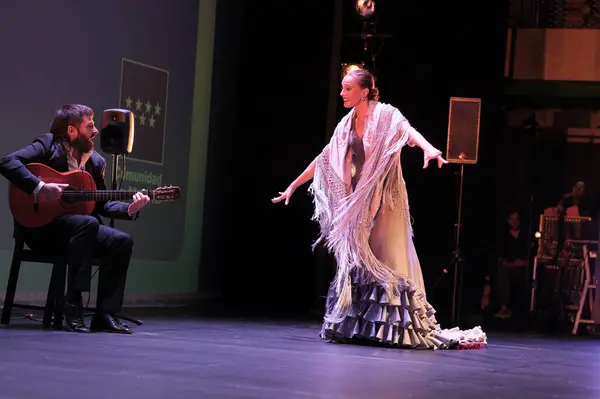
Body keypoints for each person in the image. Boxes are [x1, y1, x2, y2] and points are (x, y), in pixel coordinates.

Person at [272, 68, 487, 349]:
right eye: (342, 88)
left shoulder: (386, 114)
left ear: (364, 91)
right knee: (358, 260)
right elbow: (325, 158)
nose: (342, 93)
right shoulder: (346, 124)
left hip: (384, 200)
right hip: (359, 204)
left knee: (386, 258)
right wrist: (294, 185)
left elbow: (406, 130)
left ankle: (397, 328)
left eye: (347, 89)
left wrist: (429, 148)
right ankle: (360, 326)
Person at [0, 104, 150, 334]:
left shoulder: (96, 162)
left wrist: (130, 208)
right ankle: (72, 304)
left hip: (80, 232)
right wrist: (40, 187)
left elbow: (103, 204)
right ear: (71, 131)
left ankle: (106, 315)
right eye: (89, 125)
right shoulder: (48, 144)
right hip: (41, 229)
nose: (96, 130)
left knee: (121, 241)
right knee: (87, 223)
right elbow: (7, 162)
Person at [494, 211, 529, 320]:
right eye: (511, 220)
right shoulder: (503, 236)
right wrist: (512, 263)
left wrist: (522, 262)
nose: (514, 222)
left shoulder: (525, 235)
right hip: (509, 266)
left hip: (523, 267)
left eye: (517, 219)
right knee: (502, 274)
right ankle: (504, 307)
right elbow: (501, 258)